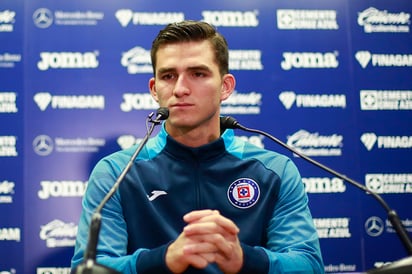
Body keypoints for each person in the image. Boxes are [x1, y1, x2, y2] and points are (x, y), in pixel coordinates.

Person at [71, 20, 324, 274]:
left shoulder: (275, 171)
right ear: (154, 88)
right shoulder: (116, 172)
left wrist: (245, 259)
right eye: (168, 76)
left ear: (225, 87)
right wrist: (164, 259)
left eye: (198, 74)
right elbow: (88, 269)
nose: (180, 89)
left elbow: (309, 266)